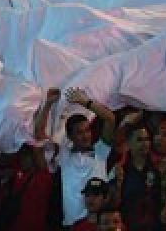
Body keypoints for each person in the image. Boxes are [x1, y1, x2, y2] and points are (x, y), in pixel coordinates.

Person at [34, 86, 116, 227]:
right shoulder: (64, 156)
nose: (85, 136)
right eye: (79, 132)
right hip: (72, 225)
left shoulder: (100, 152)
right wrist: (48, 104)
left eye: (87, 130)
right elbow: (39, 135)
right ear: (70, 137)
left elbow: (110, 119)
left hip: (98, 225)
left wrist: (85, 102)